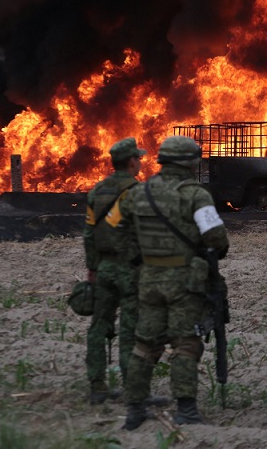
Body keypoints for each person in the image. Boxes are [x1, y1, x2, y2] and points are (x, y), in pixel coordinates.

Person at [107, 135, 230, 430]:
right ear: (190, 163)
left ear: (163, 161)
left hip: (147, 280)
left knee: (144, 345)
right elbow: (217, 240)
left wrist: (137, 260)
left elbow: (113, 231)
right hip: (185, 282)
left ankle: (135, 409)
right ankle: (186, 411)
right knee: (185, 343)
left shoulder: (138, 193)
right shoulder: (195, 195)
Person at [83, 137, 146, 405]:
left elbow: (88, 232)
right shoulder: (137, 192)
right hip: (130, 269)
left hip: (105, 267)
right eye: (139, 158)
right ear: (131, 162)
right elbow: (145, 232)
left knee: (99, 326)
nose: (141, 162)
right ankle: (133, 391)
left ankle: (97, 387)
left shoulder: (97, 191)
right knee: (130, 329)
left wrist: (93, 266)